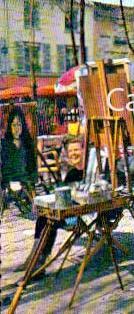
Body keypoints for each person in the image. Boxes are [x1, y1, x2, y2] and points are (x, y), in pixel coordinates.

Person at [16, 136, 84, 277]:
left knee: (49, 221)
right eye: (70, 151)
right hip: (72, 212)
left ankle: (36, 264)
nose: (73, 154)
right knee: (44, 217)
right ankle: (35, 259)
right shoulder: (70, 172)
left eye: (77, 149)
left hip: (83, 217)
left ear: (84, 151)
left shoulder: (88, 171)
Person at [1, 107, 37, 193]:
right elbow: (5, 169)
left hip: (26, 182)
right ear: (10, 126)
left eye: (19, 124)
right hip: (11, 182)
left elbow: (32, 168)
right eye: (14, 125)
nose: (16, 128)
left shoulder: (27, 144)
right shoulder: (5, 145)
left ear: (23, 126)